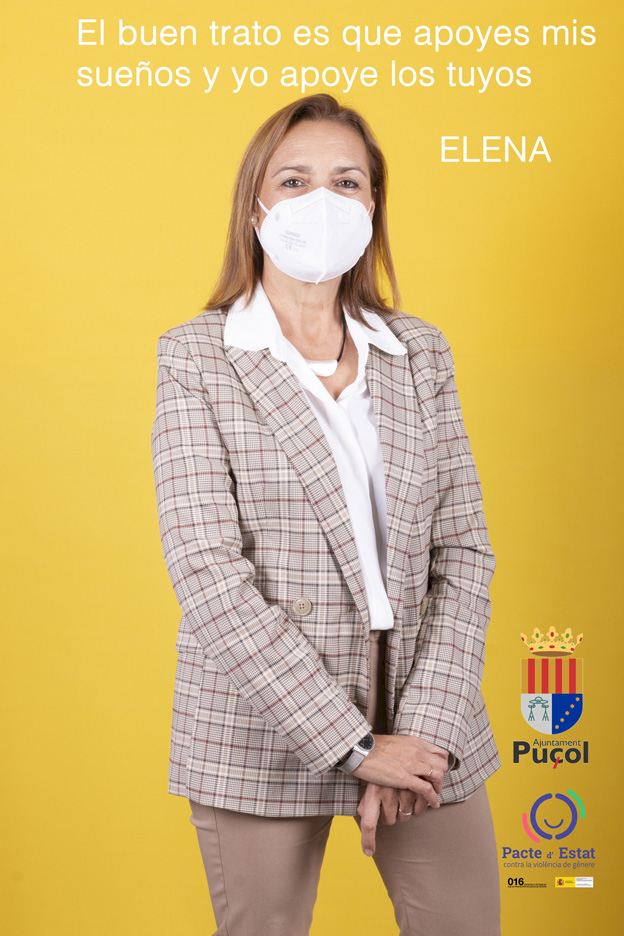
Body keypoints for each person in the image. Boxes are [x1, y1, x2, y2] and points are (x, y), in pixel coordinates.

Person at [150, 92, 501, 936]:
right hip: (263, 714)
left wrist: (420, 733)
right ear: (256, 206)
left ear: (373, 206)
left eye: (347, 181)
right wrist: (355, 745)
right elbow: (208, 573)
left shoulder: (419, 351)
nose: (323, 199)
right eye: (295, 180)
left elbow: (464, 553)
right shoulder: (197, 357)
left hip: (421, 699)